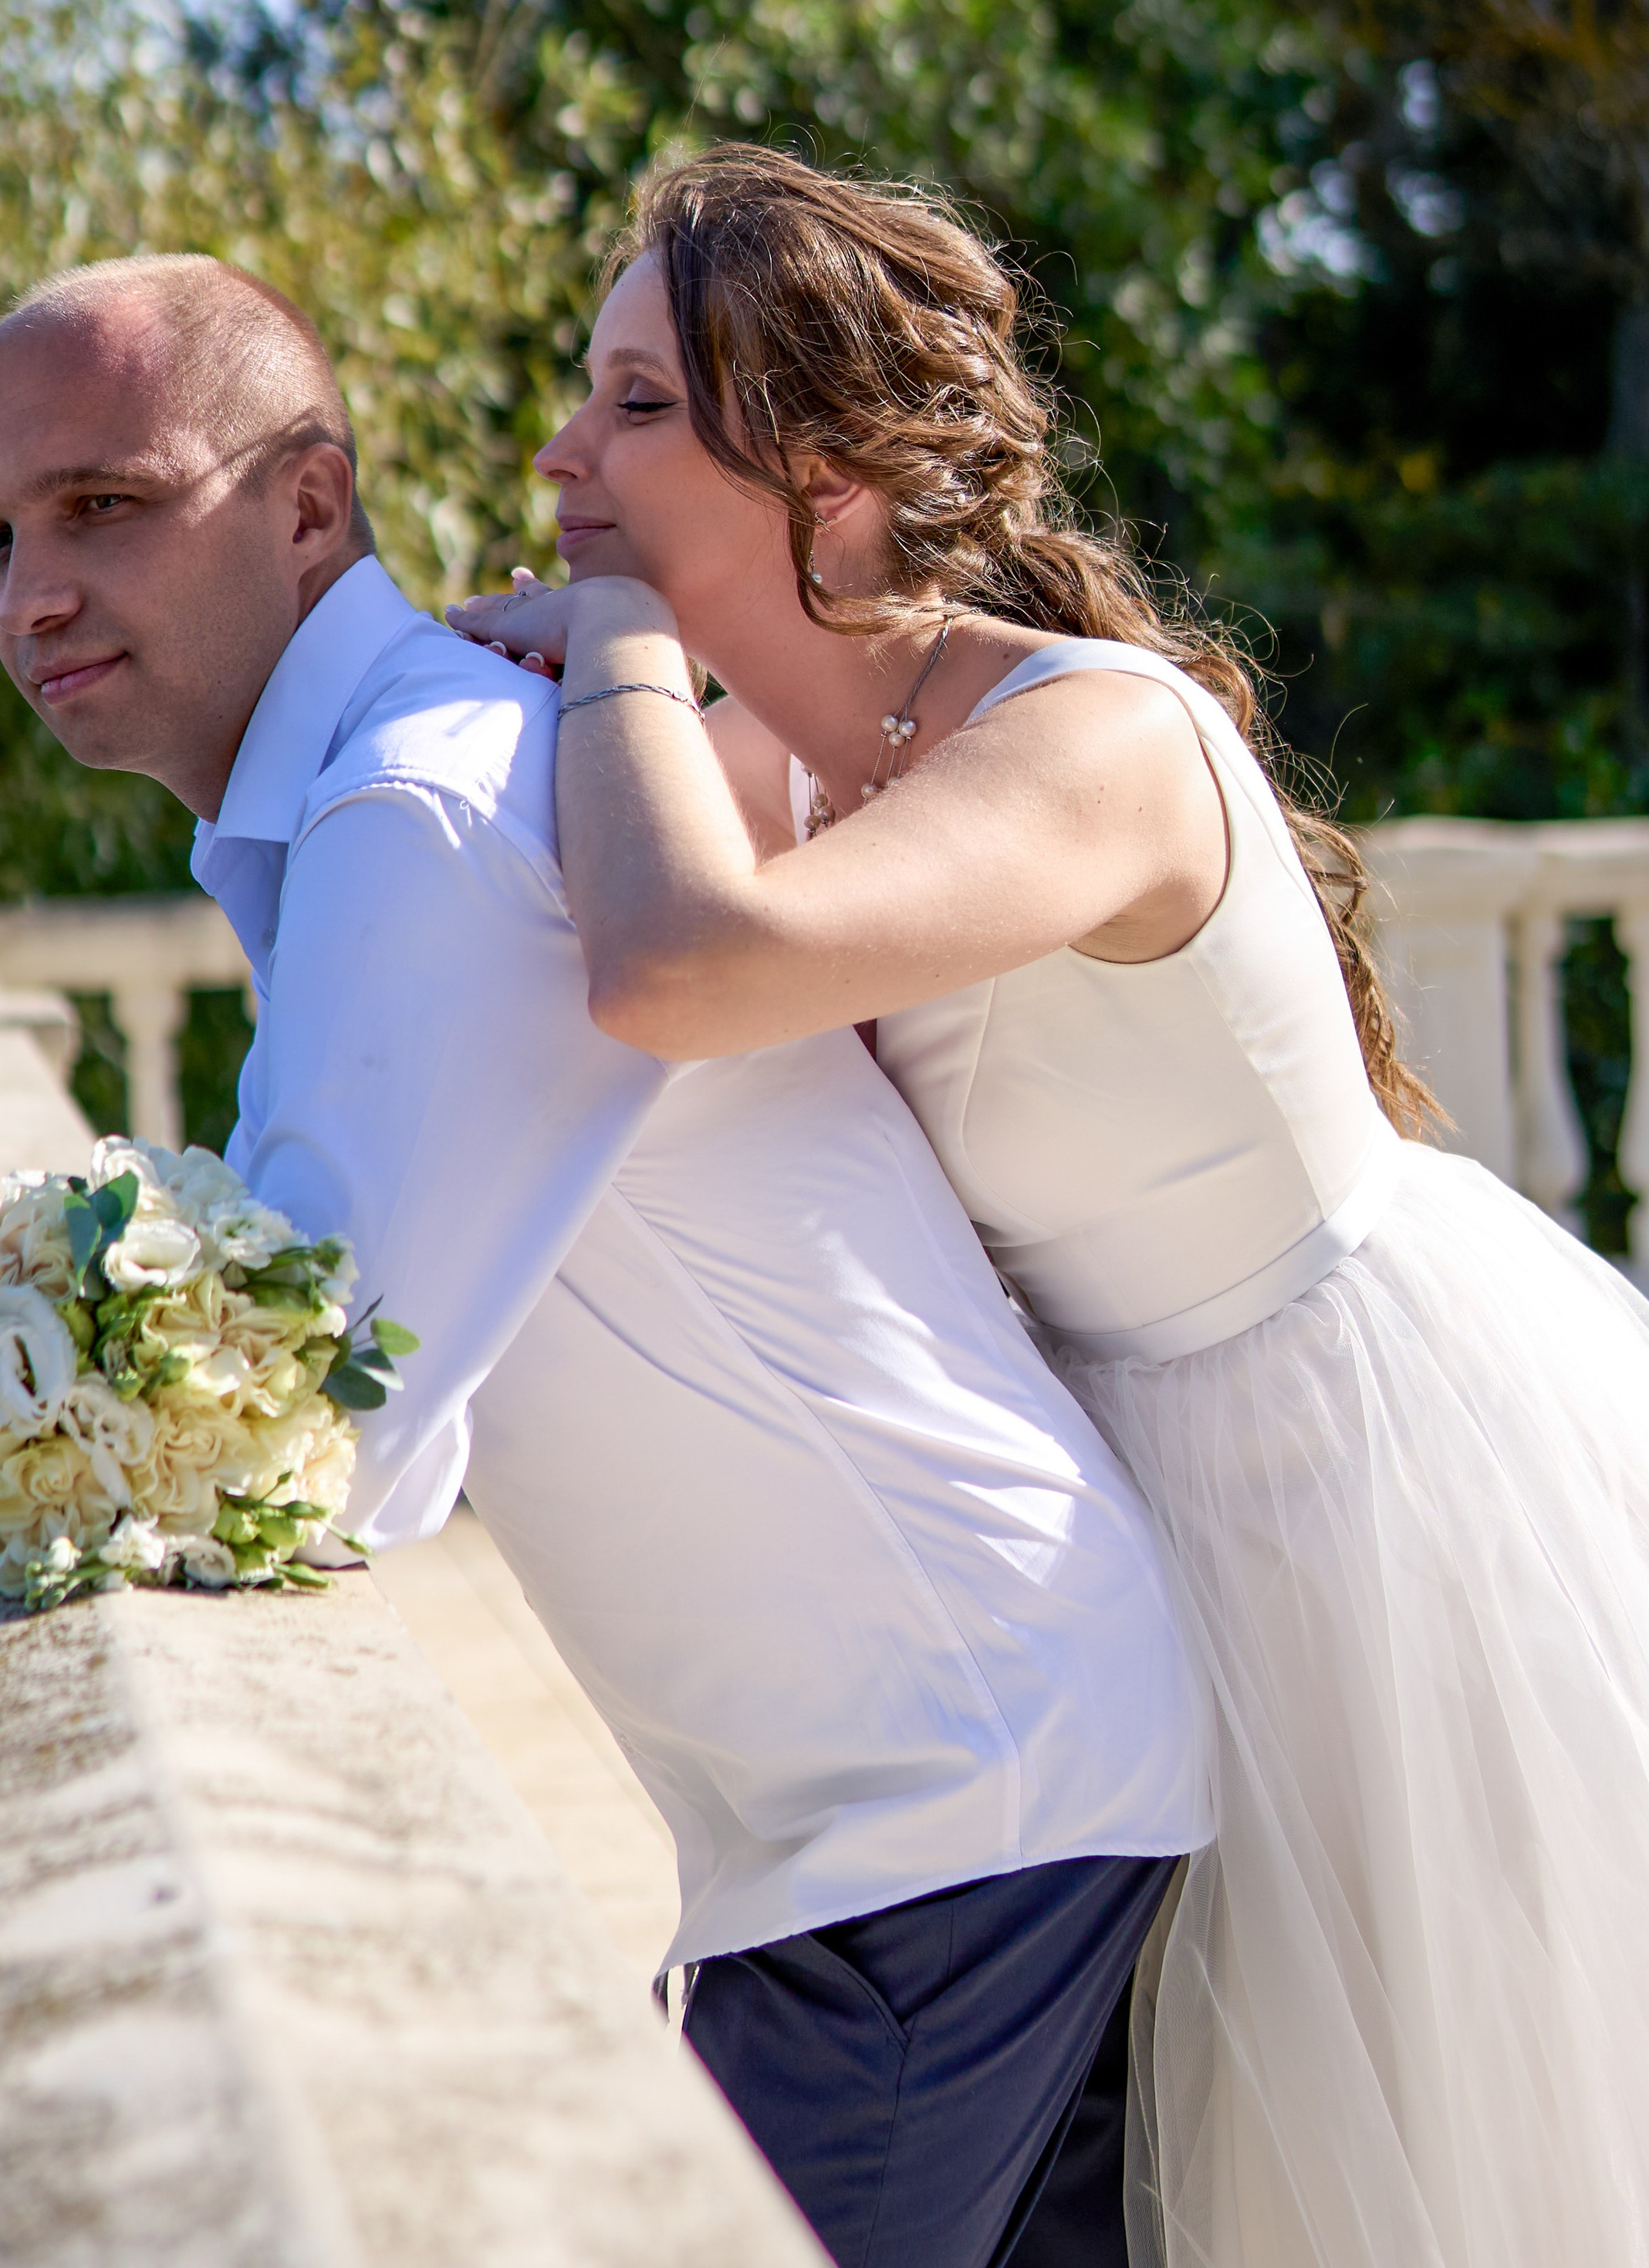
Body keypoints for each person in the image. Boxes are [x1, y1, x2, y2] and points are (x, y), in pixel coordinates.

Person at [449, 144, 1649, 2268]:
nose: (564, 453)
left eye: (638, 404)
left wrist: (618, 645)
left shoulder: (1086, 745)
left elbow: (682, 968)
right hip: (1121, 1540)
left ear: (823, 472)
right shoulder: (801, 767)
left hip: (1362, 1501)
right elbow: (536, 893)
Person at [0, 248, 1210, 2268]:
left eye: (106, 507)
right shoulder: (392, 786)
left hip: (942, 1815)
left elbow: (323, 1431)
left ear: (304, 502)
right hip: (943, 1785)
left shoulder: (418, 817)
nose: (33, 596)